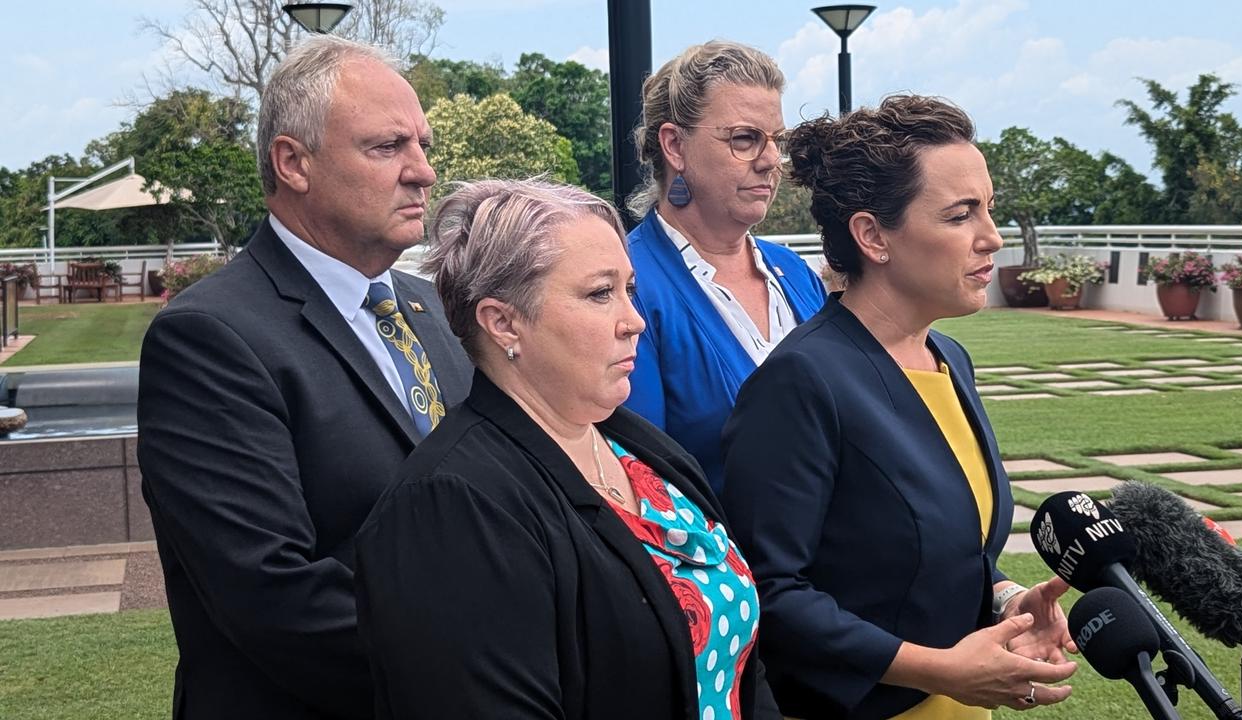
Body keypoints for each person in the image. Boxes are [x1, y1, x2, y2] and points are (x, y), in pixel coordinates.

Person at [355, 179, 779, 720]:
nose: (635, 321)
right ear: (503, 322)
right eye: (600, 294)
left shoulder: (640, 447)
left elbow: (744, 667)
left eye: (630, 289)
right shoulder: (451, 506)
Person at [137, 36, 471, 720]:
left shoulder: (433, 309)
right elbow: (272, 594)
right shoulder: (210, 338)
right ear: (294, 162)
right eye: (388, 147)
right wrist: (486, 664)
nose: (423, 173)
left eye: (424, 146)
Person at [720, 96, 1077, 720]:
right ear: (872, 236)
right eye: (961, 215)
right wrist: (939, 668)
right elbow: (770, 593)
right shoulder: (803, 382)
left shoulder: (948, 359)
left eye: (986, 210)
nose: (990, 237)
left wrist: (1005, 599)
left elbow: (946, 550)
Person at [623, 41, 826, 493]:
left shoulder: (795, 274)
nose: (772, 160)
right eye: (744, 138)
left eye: (778, 141)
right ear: (674, 146)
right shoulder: (627, 285)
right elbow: (643, 478)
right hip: (715, 559)